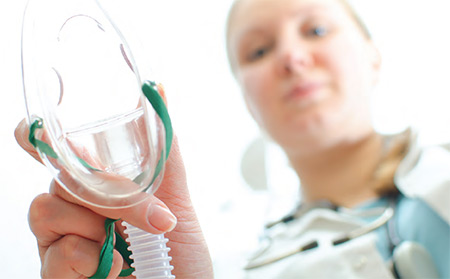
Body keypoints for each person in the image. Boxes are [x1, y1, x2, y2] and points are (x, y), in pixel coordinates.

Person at [15, 0, 449, 278]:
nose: (293, 58)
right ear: (247, 98)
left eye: (316, 30)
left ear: (373, 55)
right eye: (258, 52)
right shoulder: (236, 268)